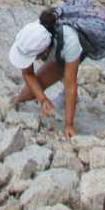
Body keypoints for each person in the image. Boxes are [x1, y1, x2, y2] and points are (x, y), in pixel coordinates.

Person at [9, 8, 86, 138]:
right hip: (58, 44)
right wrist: (43, 99)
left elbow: (71, 86)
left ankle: (66, 101)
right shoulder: (32, 36)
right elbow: (27, 73)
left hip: (82, 42)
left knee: (67, 76)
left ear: (43, 52)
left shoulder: (70, 43)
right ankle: (17, 100)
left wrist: (68, 125)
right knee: (27, 93)